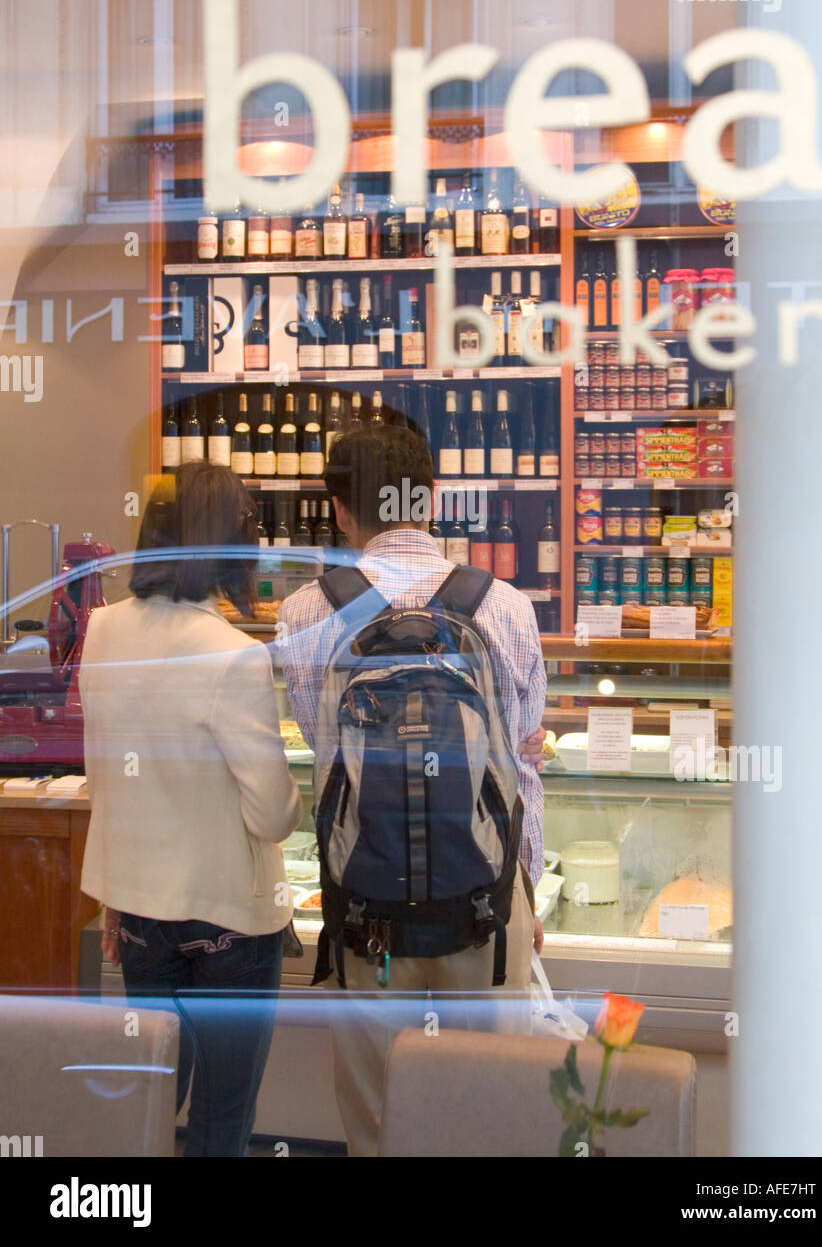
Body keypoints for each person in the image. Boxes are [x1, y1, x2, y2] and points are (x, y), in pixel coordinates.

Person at [277, 426, 547, 1156]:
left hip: (368, 913)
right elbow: (522, 764)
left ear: (338, 508)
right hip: (485, 905)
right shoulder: (503, 606)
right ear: (429, 500)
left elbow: (322, 748)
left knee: (377, 1124)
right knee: (491, 1115)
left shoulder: (307, 612)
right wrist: (524, 882)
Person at [80, 462, 302, 1157]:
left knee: (149, 1101)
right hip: (231, 920)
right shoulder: (233, 656)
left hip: (143, 913)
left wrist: (115, 894)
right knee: (220, 1117)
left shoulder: (101, 630)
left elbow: (106, 777)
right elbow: (270, 816)